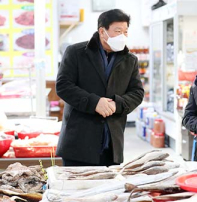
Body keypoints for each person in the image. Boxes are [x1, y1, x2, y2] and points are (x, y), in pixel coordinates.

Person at [56, 9, 144, 166]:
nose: (123, 36)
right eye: (118, 31)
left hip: (112, 146)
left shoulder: (130, 60)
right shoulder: (76, 53)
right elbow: (63, 86)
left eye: (125, 31)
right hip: (78, 145)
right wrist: (94, 102)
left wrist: (116, 104)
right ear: (102, 31)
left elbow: (137, 93)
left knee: (110, 190)